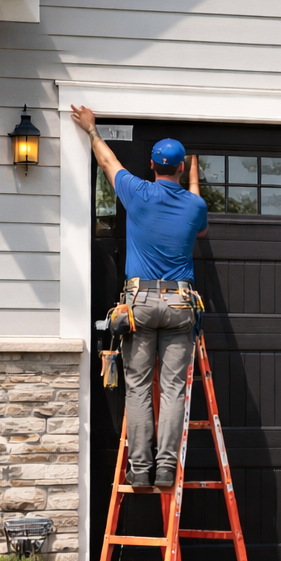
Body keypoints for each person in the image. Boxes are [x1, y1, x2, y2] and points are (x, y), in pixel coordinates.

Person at [73, 105, 208, 489]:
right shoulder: (195, 206)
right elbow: (199, 230)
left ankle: (140, 469)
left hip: (141, 303)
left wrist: (92, 130)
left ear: (152, 165)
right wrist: (193, 181)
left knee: (138, 387)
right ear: (179, 167)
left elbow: (108, 161)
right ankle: (166, 469)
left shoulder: (137, 192)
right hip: (180, 304)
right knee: (173, 390)